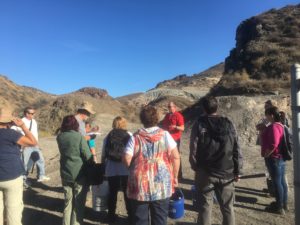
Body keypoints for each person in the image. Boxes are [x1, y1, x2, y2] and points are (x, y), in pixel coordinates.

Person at [123, 105, 180, 225]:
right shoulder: (165, 135)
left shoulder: (136, 137)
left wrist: (132, 169)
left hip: (139, 185)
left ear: (142, 119)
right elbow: (175, 157)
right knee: (160, 219)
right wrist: (174, 176)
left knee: (140, 220)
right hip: (162, 184)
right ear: (157, 118)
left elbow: (126, 157)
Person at [189, 96, 242, 225]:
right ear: (217, 106)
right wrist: (238, 170)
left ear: (203, 109)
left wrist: (196, 167)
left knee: (205, 207)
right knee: (228, 208)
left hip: (205, 172)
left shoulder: (199, 123)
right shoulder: (228, 122)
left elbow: (193, 148)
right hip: (227, 172)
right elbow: (237, 148)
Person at [0, 107, 37, 225]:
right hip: (12, 176)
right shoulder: (11, 134)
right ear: (10, 121)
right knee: (13, 211)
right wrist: (23, 127)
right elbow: (33, 142)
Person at [56, 115, 93, 225]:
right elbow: (87, 155)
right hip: (79, 174)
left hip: (65, 172)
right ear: (75, 124)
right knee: (79, 205)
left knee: (68, 203)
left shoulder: (60, 137)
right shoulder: (79, 137)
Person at [101, 116, 131, 222]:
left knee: (112, 192)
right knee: (127, 193)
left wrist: (103, 165)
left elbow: (104, 153)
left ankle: (111, 216)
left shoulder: (108, 136)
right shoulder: (129, 135)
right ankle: (130, 215)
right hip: (125, 168)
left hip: (111, 168)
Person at [261, 106, 288, 214]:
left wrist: (267, 155)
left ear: (271, 115)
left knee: (277, 182)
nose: (266, 117)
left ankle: (279, 206)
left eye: (266, 115)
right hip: (280, 157)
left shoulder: (273, 127)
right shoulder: (280, 125)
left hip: (274, 158)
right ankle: (283, 204)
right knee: (281, 182)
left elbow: (273, 144)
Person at [21, 106, 50, 183]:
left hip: (35, 145)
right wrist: (22, 144)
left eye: (34, 113)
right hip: (26, 146)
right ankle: (23, 179)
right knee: (25, 163)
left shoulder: (33, 121)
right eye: (31, 113)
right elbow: (18, 134)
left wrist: (37, 143)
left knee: (40, 160)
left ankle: (41, 175)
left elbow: (35, 134)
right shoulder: (21, 122)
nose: (33, 115)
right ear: (26, 113)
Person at [161, 101, 184, 179]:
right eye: (169, 107)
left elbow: (182, 128)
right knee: (168, 156)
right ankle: (171, 173)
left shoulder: (178, 115)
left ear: (175, 107)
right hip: (167, 138)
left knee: (176, 156)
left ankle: (179, 175)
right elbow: (163, 124)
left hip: (175, 138)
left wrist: (175, 127)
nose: (170, 108)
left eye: (171, 106)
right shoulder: (167, 115)